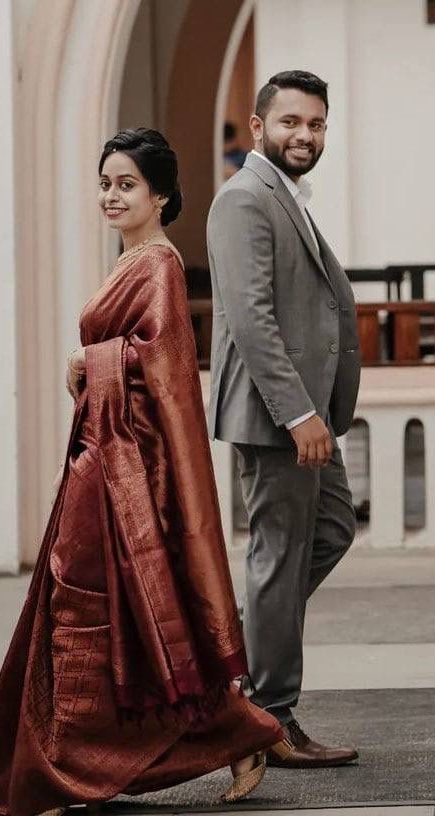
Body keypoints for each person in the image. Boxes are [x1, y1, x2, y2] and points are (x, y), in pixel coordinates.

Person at [0, 128, 290, 816]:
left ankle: (68, 769)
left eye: (126, 184)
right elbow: (129, 352)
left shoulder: (157, 265)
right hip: (99, 457)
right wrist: (96, 363)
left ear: (160, 195)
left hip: (123, 467)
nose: (111, 194)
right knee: (100, 611)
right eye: (105, 182)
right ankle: (234, 734)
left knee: (83, 609)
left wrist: (92, 363)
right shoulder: (128, 260)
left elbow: (162, 368)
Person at [207, 71, 361, 768]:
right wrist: (299, 411)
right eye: (292, 122)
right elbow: (250, 317)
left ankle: (236, 659)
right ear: (259, 122)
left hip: (309, 413)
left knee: (326, 532)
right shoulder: (244, 198)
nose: (304, 134)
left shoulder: (286, 196)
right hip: (280, 416)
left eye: (316, 124)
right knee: (277, 558)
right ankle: (265, 720)